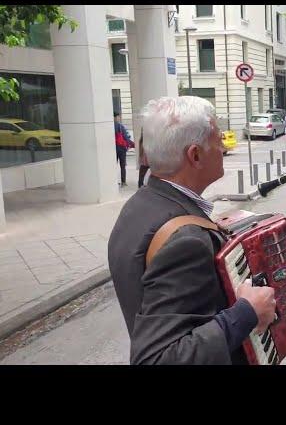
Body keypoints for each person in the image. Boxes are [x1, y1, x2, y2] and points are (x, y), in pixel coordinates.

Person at [108, 96, 276, 365]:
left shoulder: (139, 205)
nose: (222, 146)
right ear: (195, 155)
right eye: (217, 139)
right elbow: (158, 359)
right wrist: (247, 313)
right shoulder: (187, 241)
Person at [114, 112, 133, 187]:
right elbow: (126, 137)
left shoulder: (108, 126)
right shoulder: (120, 126)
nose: (119, 118)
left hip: (113, 149)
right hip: (121, 148)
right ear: (116, 117)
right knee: (122, 166)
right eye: (118, 116)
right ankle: (123, 182)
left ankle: (114, 181)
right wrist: (128, 145)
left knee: (113, 166)